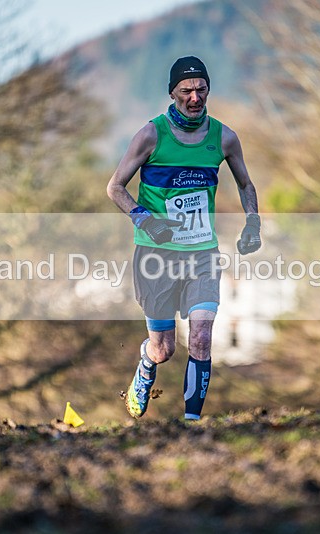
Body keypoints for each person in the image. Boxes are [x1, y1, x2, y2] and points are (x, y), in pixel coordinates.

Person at [107, 56, 261, 421]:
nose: (195, 98)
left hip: (203, 253)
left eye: (201, 90)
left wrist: (253, 221)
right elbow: (115, 188)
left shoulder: (224, 137)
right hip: (156, 255)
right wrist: (145, 221)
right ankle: (146, 363)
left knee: (202, 338)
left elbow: (245, 183)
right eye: (186, 91)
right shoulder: (150, 135)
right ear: (172, 93)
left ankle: (192, 425)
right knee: (164, 349)